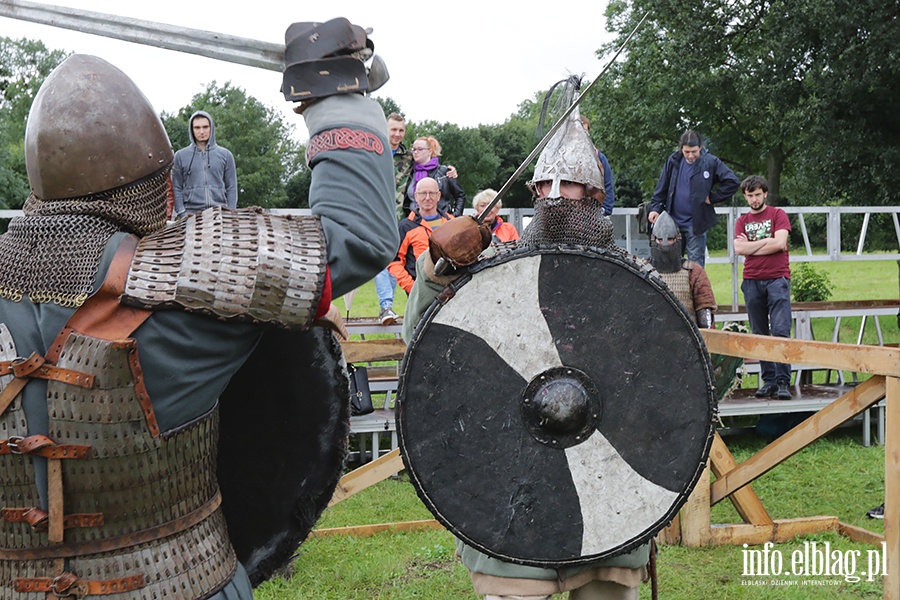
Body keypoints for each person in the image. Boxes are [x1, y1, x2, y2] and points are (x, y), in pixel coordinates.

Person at [0, 39, 397, 600]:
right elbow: (357, 233)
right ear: (162, 187)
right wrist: (336, 92)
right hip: (187, 584)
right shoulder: (191, 283)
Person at [403, 108, 650, 600]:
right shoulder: (493, 265)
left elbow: (660, 381)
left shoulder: (633, 279)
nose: (554, 196)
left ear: (595, 196)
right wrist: (439, 267)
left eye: (569, 186)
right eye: (544, 186)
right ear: (532, 192)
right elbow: (421, 335)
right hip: (512, 471)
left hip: (604, 480)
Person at [375, 114, 459, 324]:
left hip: (401, 217)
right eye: (393, 129)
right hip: (378, 215)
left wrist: (448, 169)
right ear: (384, 129)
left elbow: (428, 162)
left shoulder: (408, 157)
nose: (396, 134)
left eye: (400, 130)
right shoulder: (373, 153)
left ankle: (409, 310)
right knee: (383, 261)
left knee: (400, 259)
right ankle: (386, 307)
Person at [734, 175, 793, 400]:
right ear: (745, 196)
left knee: (780, 330)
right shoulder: (742, 221)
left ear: (765, 194)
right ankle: (768, 380)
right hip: (751, 280)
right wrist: (765, 243)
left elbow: (780, 243)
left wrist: (751, 247)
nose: (754, 199)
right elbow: (738, 249)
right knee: (759, 333)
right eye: (750, 195)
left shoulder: (778, 214)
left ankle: (782, 381)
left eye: (757, 194)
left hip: (776, 278)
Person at [647, 130, 740, 267]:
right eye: (687, 152)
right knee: (670, 263)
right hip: (672, 223)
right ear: (681, 149)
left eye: (694, 152)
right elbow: (661, 189)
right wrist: (655, 209)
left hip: (696, 224)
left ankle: (695, 289)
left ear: (700, 148)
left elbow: (732, 182)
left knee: (695, 266)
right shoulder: (673, 161)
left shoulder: (710, 162)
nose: (690, 155)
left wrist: (713, 198)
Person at [648, 211, 716, 328]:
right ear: (654, 240)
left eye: (670, 239)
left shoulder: (694, 271)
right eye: (660, 239)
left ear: (677, 239)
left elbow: (705, 309)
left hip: (687, 337)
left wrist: (706, 337)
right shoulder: (644, 270)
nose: (665, 244)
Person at [388, 177, 453, 295]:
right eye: (423, 193)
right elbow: (394, 262)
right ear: (416, 196)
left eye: (431, 193)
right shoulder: (406, 226)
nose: (427, 198)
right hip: (420, 293)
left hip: (450, 289)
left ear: (438, 196)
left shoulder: (451, 222)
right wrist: (412, 288)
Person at [172, 110, 238, 218]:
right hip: (191, 215)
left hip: (220, 213)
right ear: (191, 130)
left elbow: (231, 187)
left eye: (205, 127)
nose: (201, 131)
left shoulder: (226, 155)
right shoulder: (180, 156)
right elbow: (176, 187)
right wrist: (182, 213)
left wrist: (230, 212)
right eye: (197, 128)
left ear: (211, 128)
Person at [404, 136, 466, 217]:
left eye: (420, 149)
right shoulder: (409, 172)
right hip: (414, 220)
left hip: (441, 220)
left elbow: (460, 195)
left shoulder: (444, 172)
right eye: (414, 149)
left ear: (430, 151)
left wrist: (455, 216)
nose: (415, 152)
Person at [580, 115, 615, 216]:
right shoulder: (562, 159)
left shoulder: (599, 157)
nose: (584, 134)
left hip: (594, 216)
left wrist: (603, 211)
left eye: (586, 131)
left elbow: (607, 187)